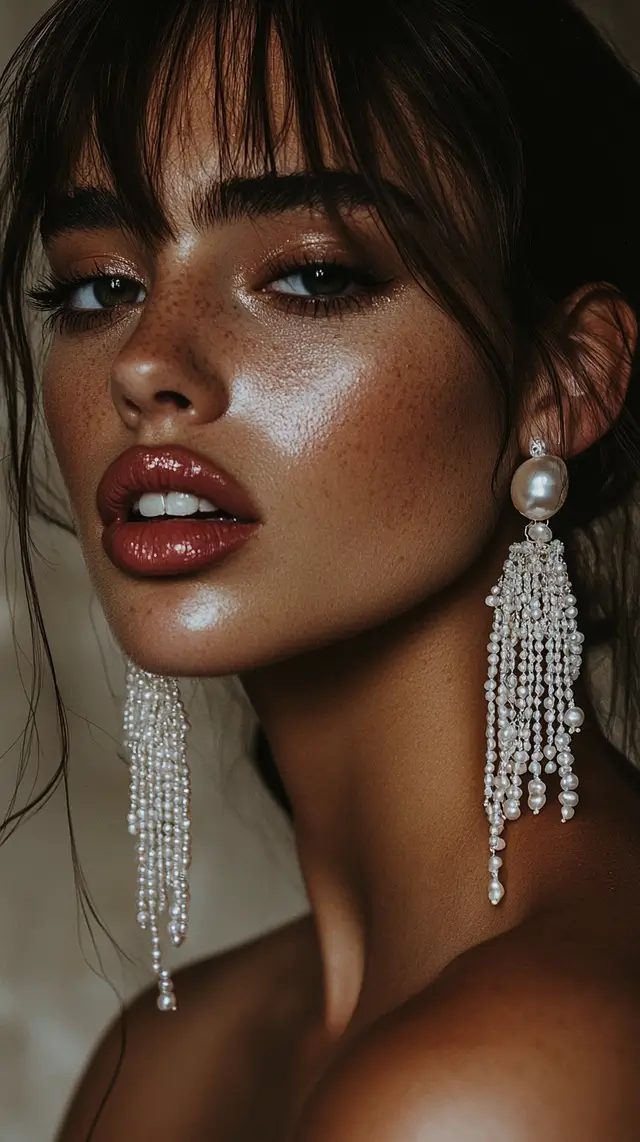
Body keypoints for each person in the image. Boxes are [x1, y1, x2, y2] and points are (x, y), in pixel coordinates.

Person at [2, 0, 640, 1137]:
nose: (146, 360)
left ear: (565, 379)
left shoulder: (510, 1079)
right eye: (98, 285)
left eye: (307, 277)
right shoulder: (158, 1054)